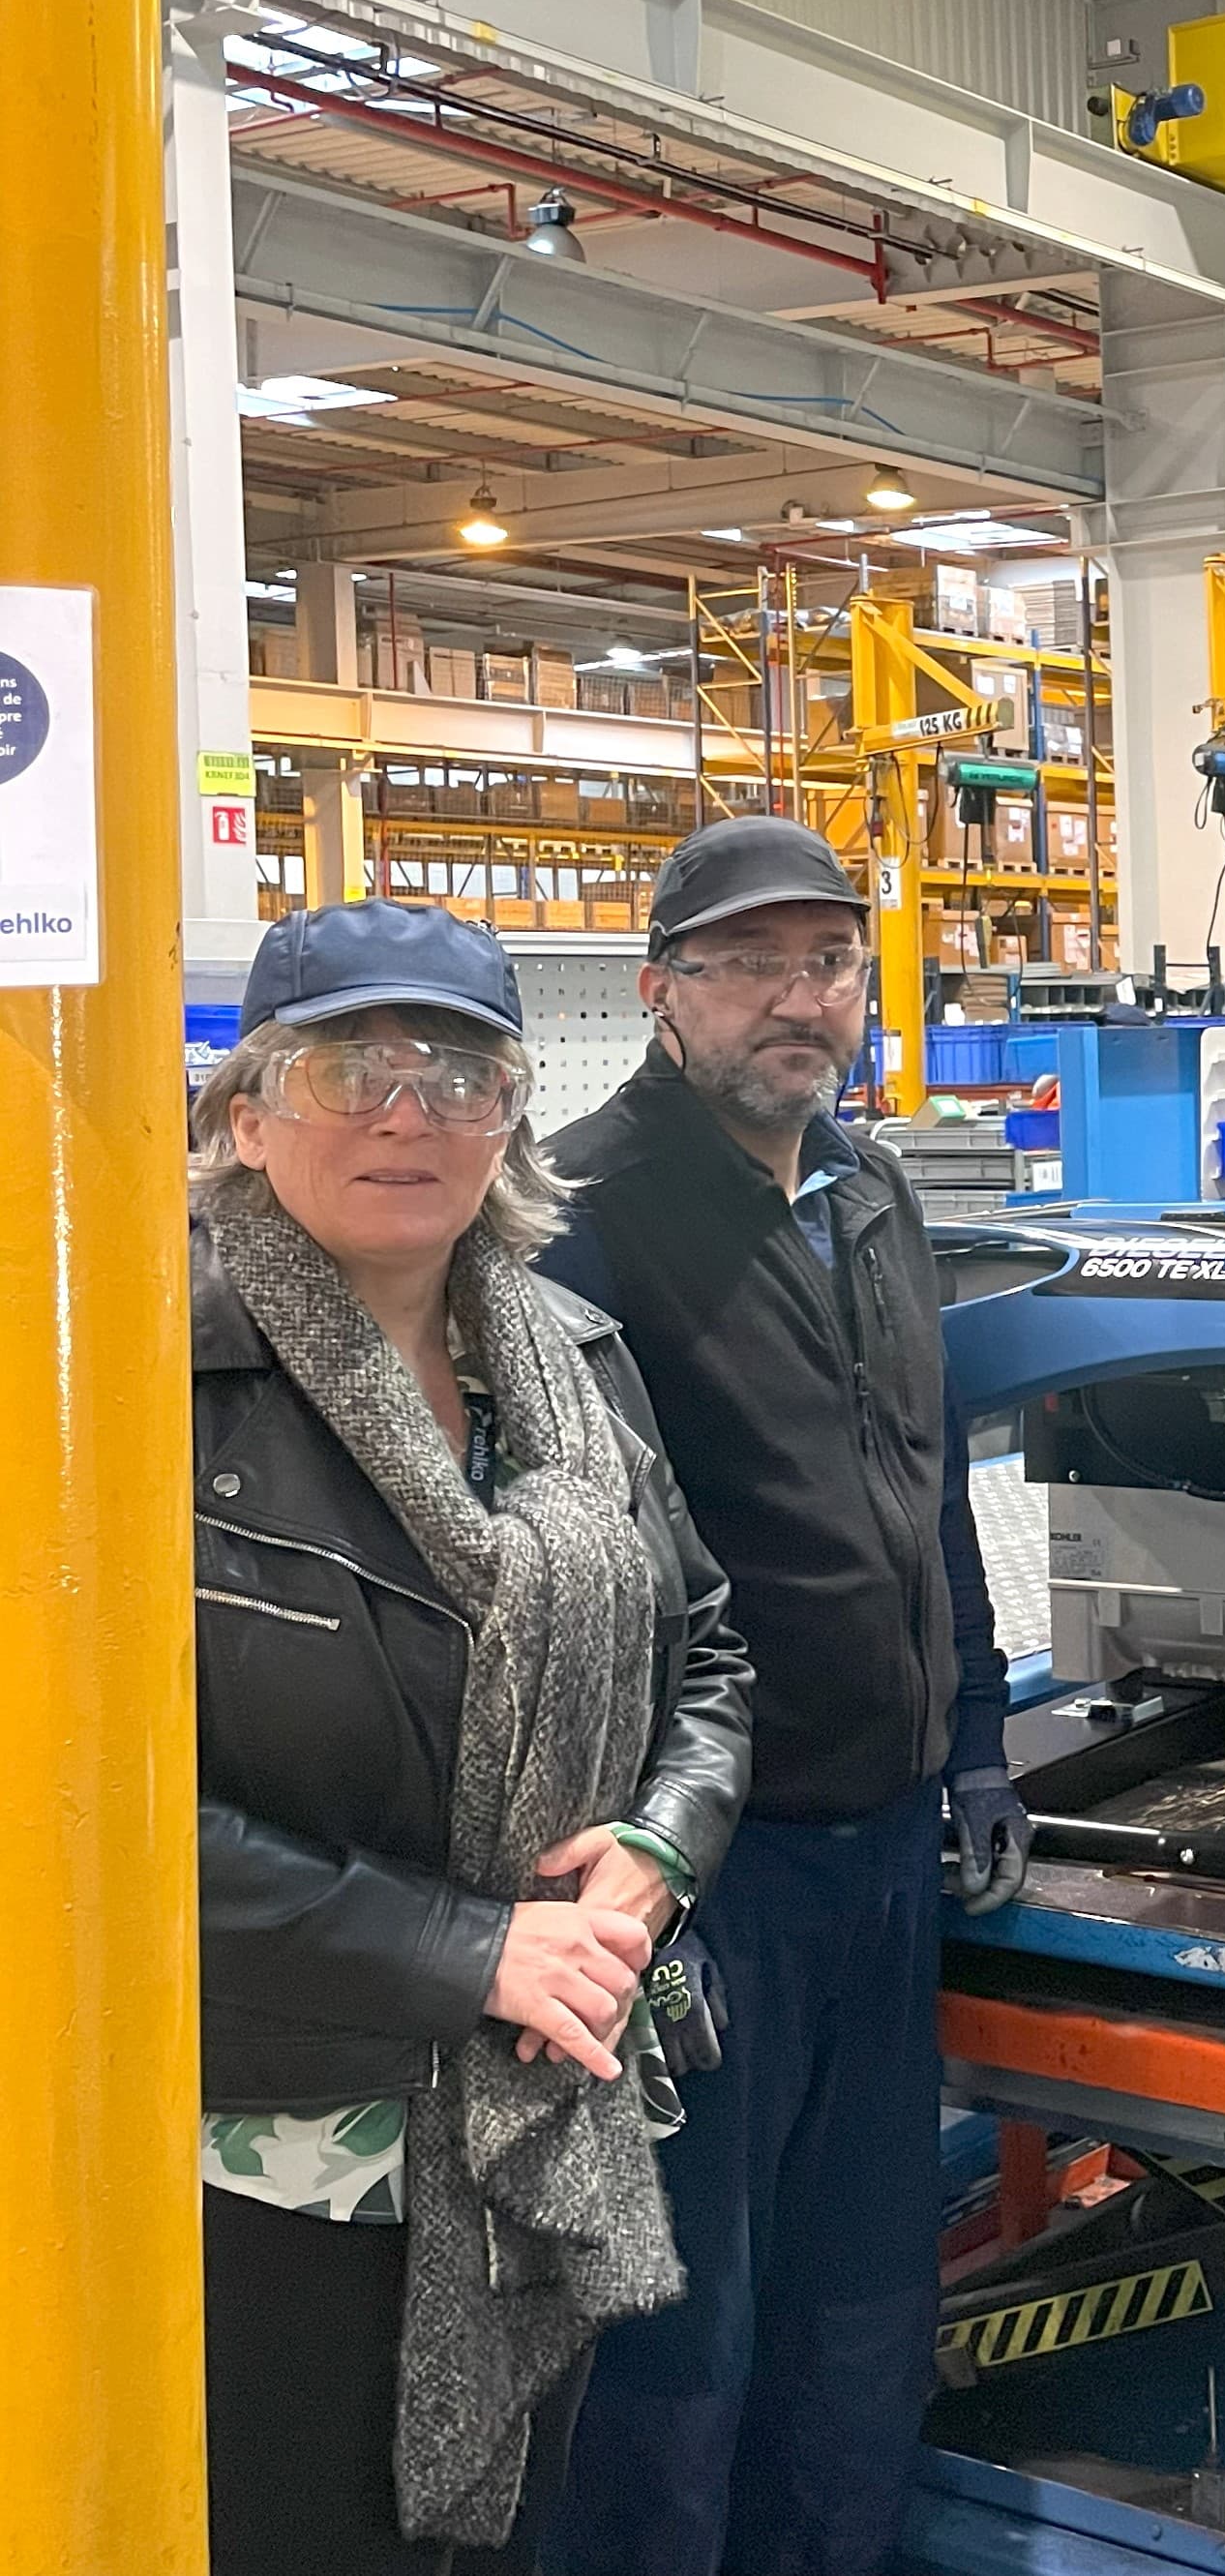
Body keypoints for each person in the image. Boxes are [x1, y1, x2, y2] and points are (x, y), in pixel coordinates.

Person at [190, 900, 752, 2574]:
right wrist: (468, 1950)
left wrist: (659, 1849)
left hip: (538, 2125)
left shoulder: (568, 1362)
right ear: (245, 1113)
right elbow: (80, 1810)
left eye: (457, 1069)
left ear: (512, 1113)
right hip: (278, 2159)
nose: (406, 1108)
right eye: (346, 1063)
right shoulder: (139, 1390)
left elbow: (707, 1651)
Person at [536, 817, 1027, 2576]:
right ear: (663, 991)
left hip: (888, 1852)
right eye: (751, 964)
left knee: (860, 2315)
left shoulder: (875, 1191)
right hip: (708, 1884)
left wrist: (969, 1740)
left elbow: (932, 1482)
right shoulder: (576, 1218)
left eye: (826, 962)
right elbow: (579, 1580)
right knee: (683, 2344)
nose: (796, 1000)